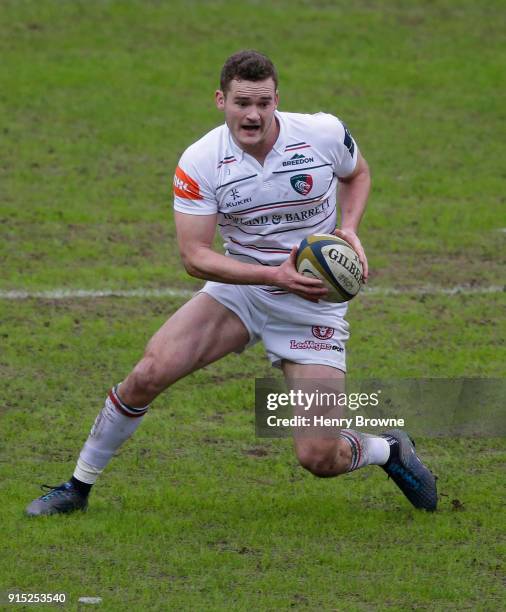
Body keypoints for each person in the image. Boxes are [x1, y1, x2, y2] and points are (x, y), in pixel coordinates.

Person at [26, 50, 437, 516]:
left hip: (312, 306)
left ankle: (388, 449)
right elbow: (194, 257)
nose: (254, 114)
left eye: (264, 102)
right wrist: (271, 275)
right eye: (242, 102)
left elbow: (356, 173)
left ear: (277, 99)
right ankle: (76, 487)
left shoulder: (321, 133)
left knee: (319, 457)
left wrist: (350, 228)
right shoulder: (201, 161)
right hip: (241, 289)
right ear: (221, 100)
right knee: (147, 373)